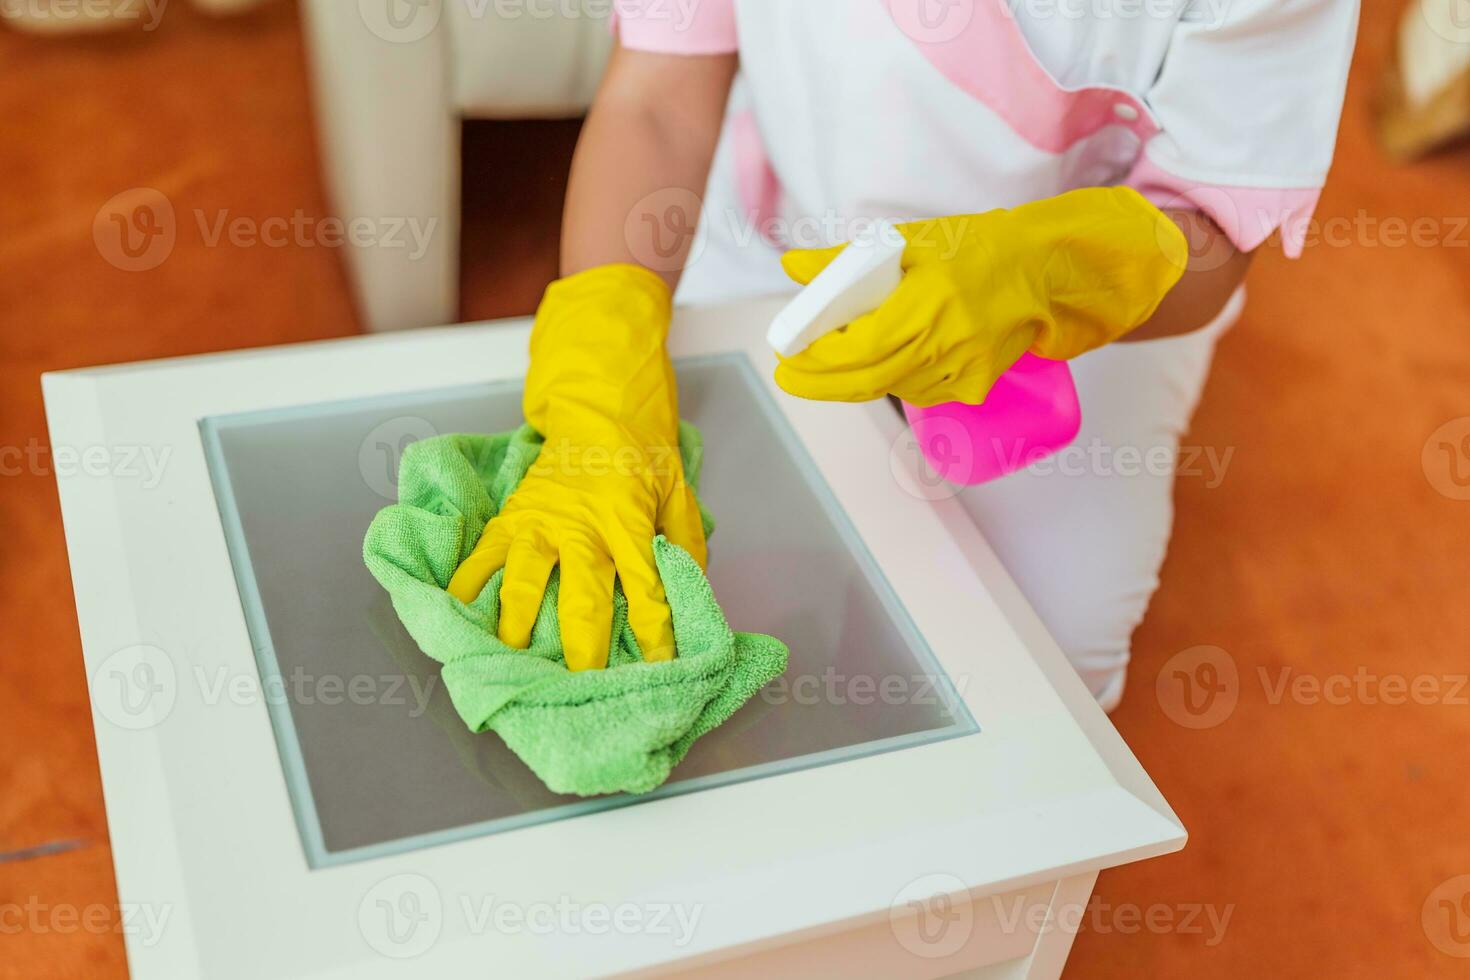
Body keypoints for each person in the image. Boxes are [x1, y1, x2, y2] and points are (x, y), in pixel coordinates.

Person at [449, 0, 1359, 706]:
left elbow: (1216, 222)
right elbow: (657, 95)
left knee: (1047, 657)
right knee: (695, 583)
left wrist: (1046, 278)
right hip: (774, 219)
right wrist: (601, 340)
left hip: (1087, 286)